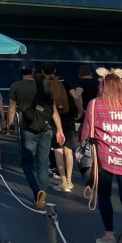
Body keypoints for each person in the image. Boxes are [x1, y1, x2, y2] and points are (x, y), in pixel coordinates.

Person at [80, 69, 122, 243]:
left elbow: (86, 134)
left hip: (103, 160)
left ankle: (109, 234)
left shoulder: (95, 105)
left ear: (103, 86)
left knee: (104, 196)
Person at [8, 63, 65, 209]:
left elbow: (12, 107)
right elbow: (52, 109)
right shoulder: (44, 86)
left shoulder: (15, 86)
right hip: (45, 127)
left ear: (20, 70)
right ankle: (43, 194)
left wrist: (10, 123)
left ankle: (37, 190)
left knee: (27, 162)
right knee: (43, 162)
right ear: (33, 71)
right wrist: (59, 129)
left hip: (28, 128)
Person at [42, 62, 77, 191]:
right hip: (68, 117)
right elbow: (76, 96)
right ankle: (69, 180)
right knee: (69, 150)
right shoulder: (64, 81)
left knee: (58, 149)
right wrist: (79, 110)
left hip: (53, 119)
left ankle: (63, 182)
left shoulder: (44, 84)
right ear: (55, 70)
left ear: (43, 71)